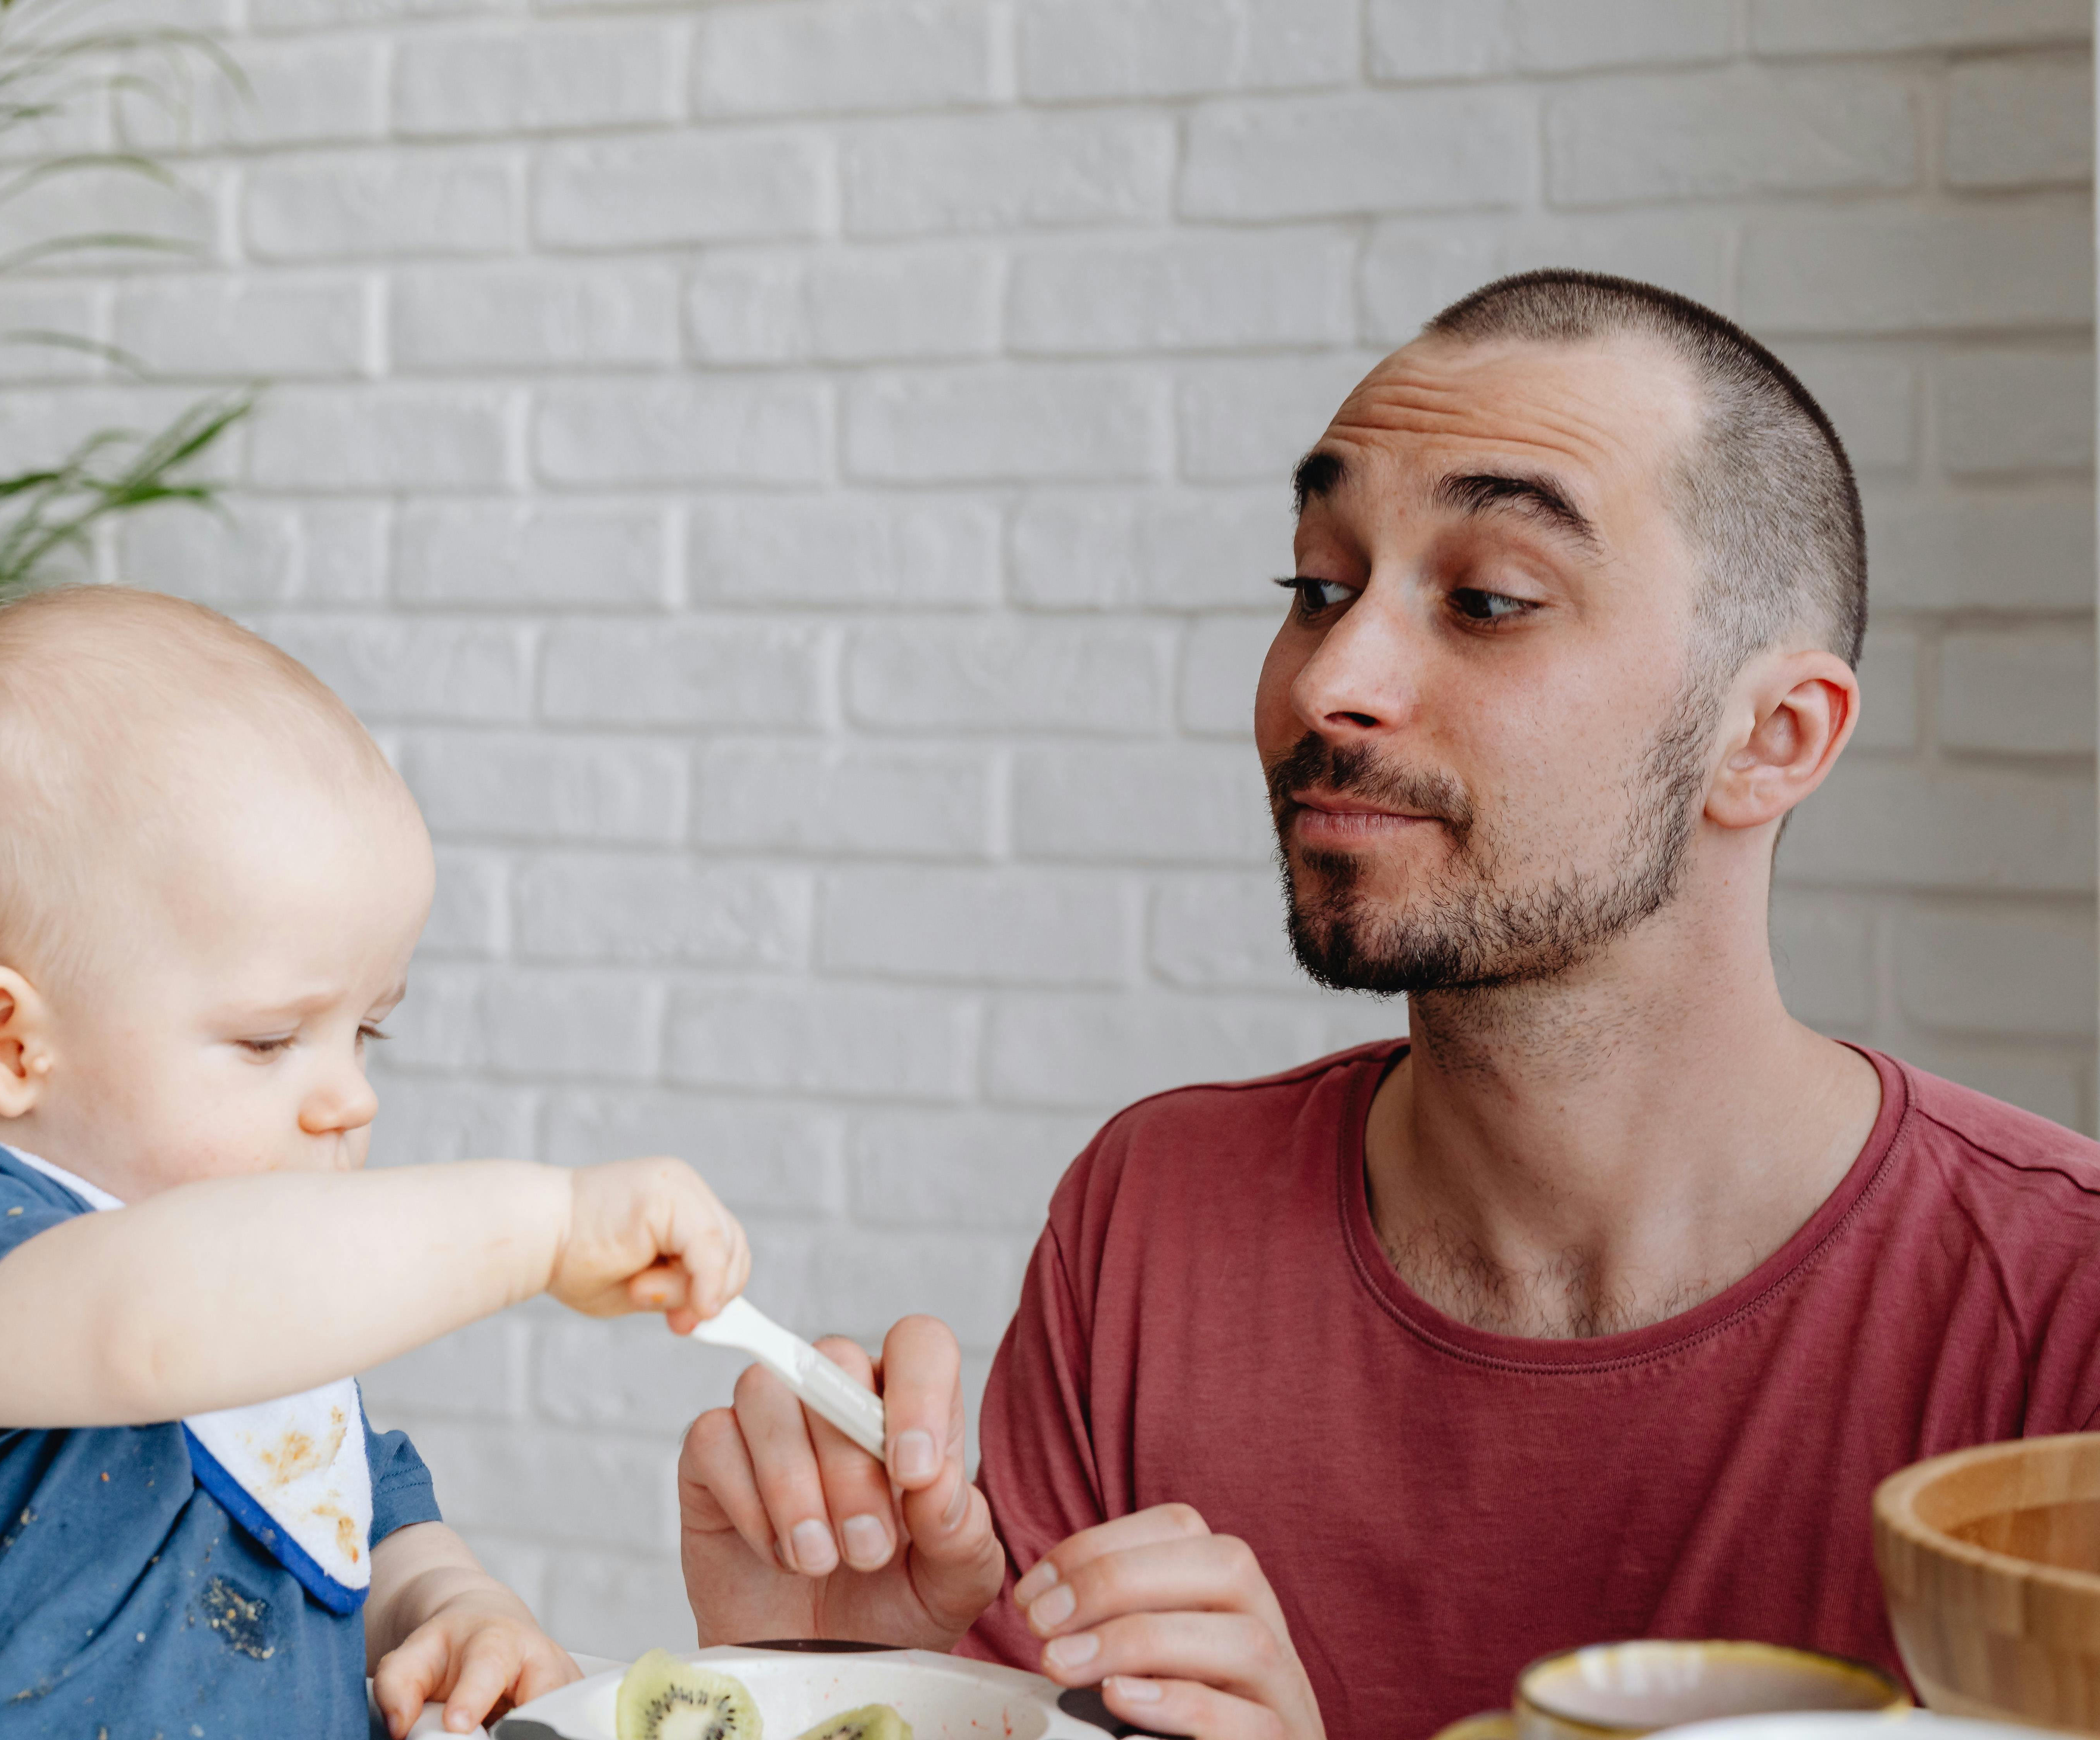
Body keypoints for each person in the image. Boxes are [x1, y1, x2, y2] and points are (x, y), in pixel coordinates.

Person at [675, 270, 2100, 1740]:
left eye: (1487, 600)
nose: (1330, 680)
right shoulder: (1154, 1217)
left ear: (1772, 740)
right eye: (1316, 585)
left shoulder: (2062, 1305)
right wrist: (834, 1690)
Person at [0, 587, 752, 1739]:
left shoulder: (262, 1337)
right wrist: (540, 1227)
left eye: (367, 1033)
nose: (351, 1097)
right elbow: (145, 1322)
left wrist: (452, 1603)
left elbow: (366, 1528)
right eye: (271, 1040)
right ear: (12, 1045)